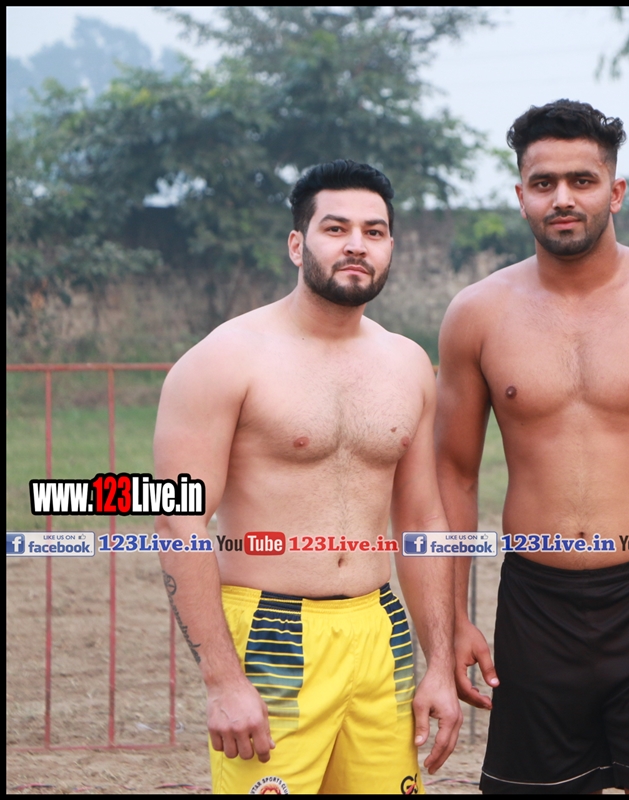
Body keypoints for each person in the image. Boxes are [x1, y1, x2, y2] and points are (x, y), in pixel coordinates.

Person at [435, 100, 629, 794]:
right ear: (520, 195)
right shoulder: (477, 313)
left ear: (615, 192)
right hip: (534, 604)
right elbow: (453, 474)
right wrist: (452, 620)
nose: (562, 198)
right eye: (543, 182)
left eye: (582, 180)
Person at [154, 160, 461, 794]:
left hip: (380, 628)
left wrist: (439, 662)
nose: (357, 245)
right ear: (297, 244)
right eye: (336, 228)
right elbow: (178, 520)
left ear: (391, 247)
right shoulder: (224, 359)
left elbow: (422, 519)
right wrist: (222, 680)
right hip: (270, 629)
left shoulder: (408, 363)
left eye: (374, 232)